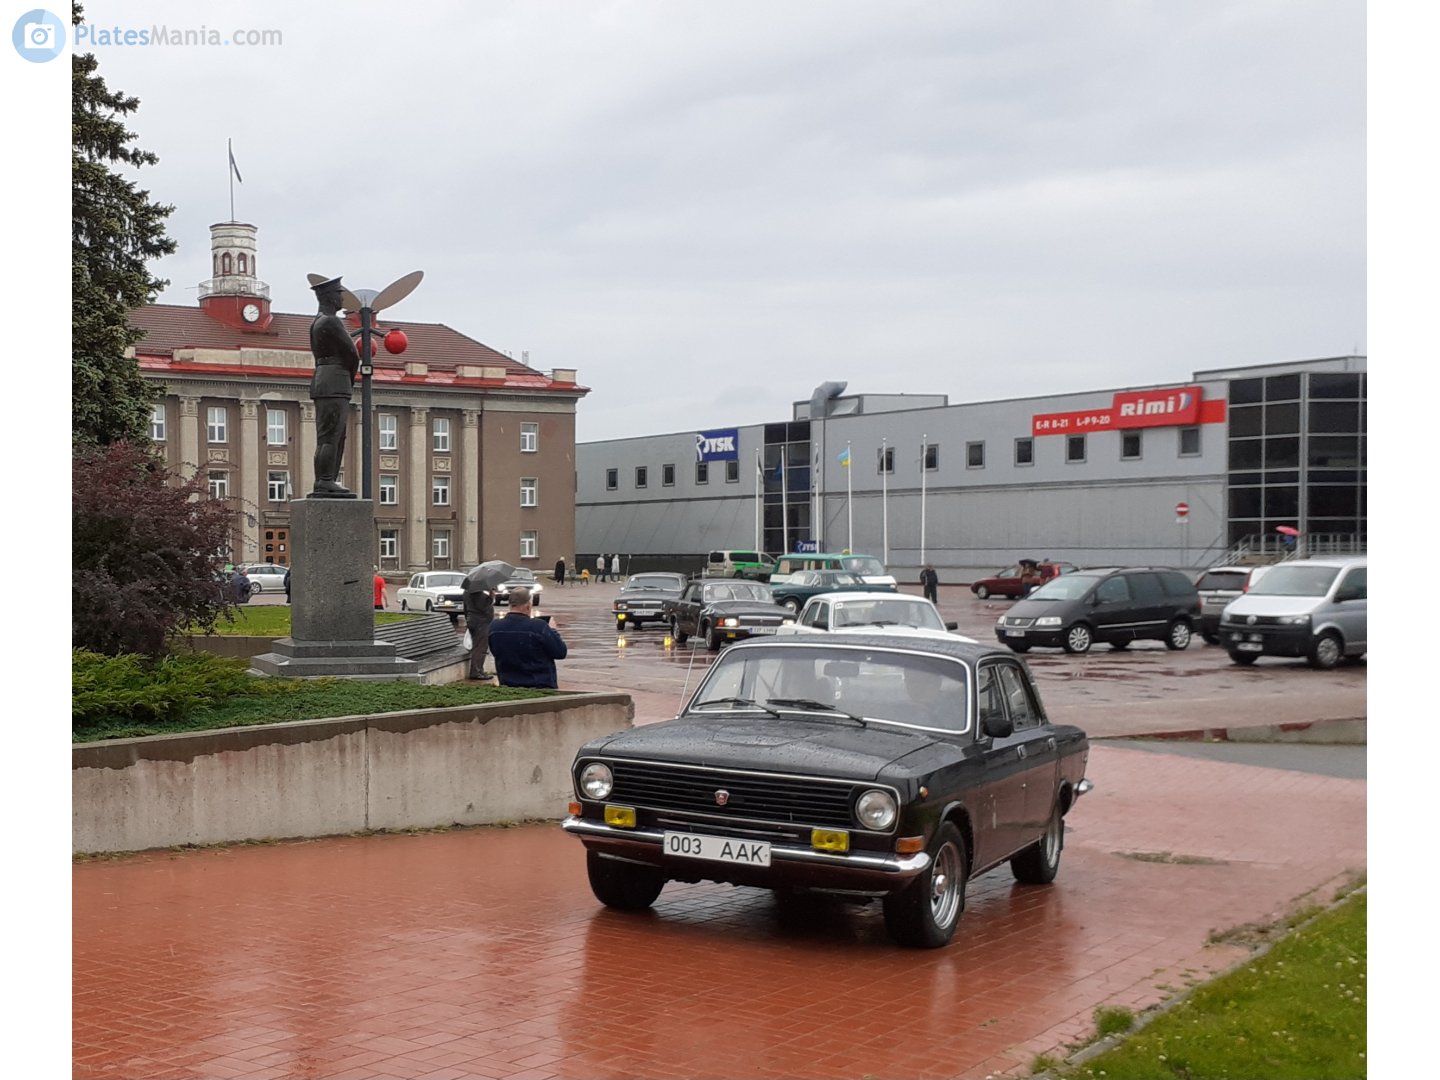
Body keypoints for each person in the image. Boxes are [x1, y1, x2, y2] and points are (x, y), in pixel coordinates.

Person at [307, 276, 360, 498]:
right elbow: (352, 354)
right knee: (332, 435)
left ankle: (325, 480)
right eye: (339, 294)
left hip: (323, 380)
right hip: (335, 381)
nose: (341, 298)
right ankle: (326, 480)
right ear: (329, 297)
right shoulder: (331, 321)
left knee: (328, 436)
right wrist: (350, 377)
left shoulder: (316, 322)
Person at [487, 587, 567, 689]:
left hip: (508, 685)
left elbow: (495, 652)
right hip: (540, 685)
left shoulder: (494, 627)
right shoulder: (539, 626)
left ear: (510, 605)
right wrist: (553, 631)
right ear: (528, 606)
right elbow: (560, 652)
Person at [464, 579, 497, 680]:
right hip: (481, 622)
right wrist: (491, 596)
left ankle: (479, 670)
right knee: (480, 647)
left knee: (477, 646)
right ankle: (476, 671)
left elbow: (465, 608)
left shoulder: (466, 592)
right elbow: (484, 607)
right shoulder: (477, 594)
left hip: (472, 620)